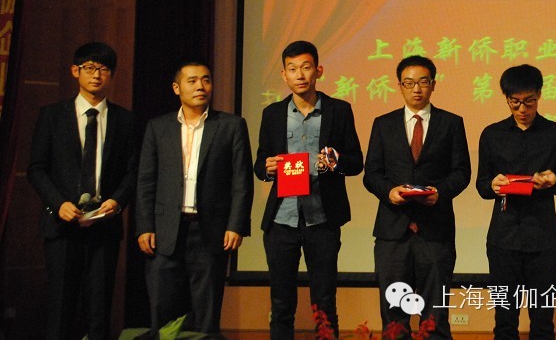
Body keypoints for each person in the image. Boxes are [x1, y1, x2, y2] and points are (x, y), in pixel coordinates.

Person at [254, 40, 363, 339]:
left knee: (325, 302)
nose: (300, 75)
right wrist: (267, 168)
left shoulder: (339, 110)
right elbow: (260, 164)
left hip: (322, 219)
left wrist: (336, 162)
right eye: (292, 69)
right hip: (282, 220)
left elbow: (356, 162)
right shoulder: (272, 114)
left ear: (319, 70)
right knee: (281, 304)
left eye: (306, 67)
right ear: (284, 75)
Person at [135, 59, 253, 335]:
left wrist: (235, 225)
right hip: (165, 230)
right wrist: (144, 226)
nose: (201, 86)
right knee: (163, 310)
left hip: (210, 230)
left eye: (206, 80)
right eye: (192, 81)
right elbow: (146, 181)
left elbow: (241, 181)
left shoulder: (231, 125)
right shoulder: (158, 127)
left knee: (206, 312)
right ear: (176, 88)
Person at [28, 42, 136, 340]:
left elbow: (132, 171)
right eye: (89, 68)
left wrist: (118, 201)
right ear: (75, 71)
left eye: (103, 69)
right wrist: (58, 203)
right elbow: (36, 168)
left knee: (99, 311)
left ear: (111, 75)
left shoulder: (125, 120)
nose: (96, 75)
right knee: (61, 309)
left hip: (104, 226)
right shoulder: (52, 116)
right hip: (62, 225)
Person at [363, 55, 471, 339]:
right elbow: (371, 173)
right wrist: (389, 192)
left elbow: (462, 172)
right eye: (409, 83)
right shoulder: (383, 124)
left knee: (435, 316)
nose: (417, 89)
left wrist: (440, 193)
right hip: (392, 233)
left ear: (433, 84)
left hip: (435, 232)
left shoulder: (451, 123)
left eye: (423, 82)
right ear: (399, 85)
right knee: (394, 316)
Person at [475, 64, 556, 340]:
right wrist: (493, 185)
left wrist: (554, 180)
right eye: (515, 102)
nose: (522, 109)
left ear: (539, 94)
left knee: (542, 320)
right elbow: (481, 185)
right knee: (504, 320)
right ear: (506, 98)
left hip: (543, 238)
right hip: (503, 238)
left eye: (529, 101)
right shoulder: (492, 135)